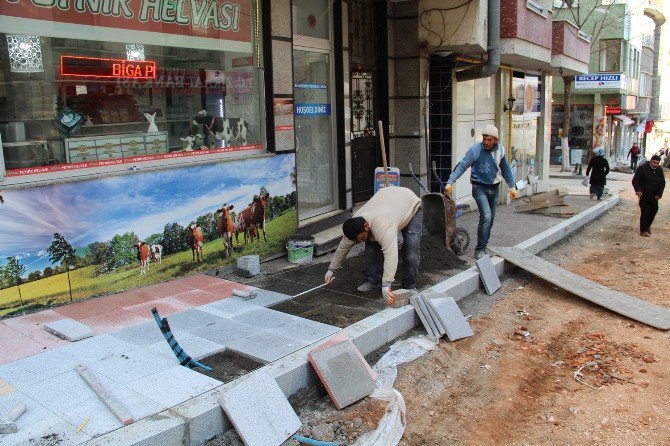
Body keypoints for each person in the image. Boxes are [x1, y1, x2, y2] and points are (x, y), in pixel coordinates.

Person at [324, 187, 422, 305]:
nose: (360, 242)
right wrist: (331, 269)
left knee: (411, 248)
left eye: (361, 238)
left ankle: (410, 285)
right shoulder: (355, 225)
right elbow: (343, 247)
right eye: (357, 241)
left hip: (410, 206)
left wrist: (387, 284)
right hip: (387, 202)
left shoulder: (382, 226)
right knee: (371, 246)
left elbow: (391, 253)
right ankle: (373, 280)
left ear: (366, 226)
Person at [444, 124, 517, 259]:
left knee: (490, 219)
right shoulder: (475, 151)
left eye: (489, 139)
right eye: (484, 139)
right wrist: (450, 182)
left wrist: (512, 186)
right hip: (479, 188)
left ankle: (483, 245)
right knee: (486, 217)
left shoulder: (500, 150)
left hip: (495, 188)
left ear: (495, 140)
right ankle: (480, 250)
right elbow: (462, 166)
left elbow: (506, 169)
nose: (486, 142)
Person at [632, 155, 665, 237]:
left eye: (657, 163)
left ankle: (647, 226)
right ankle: (643, 231)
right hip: (644, 195)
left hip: (654, 196)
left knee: (654, 210)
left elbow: (662, 183)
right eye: (654, 162)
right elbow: (635, 181)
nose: (655, 165)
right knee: (645, 212)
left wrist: (659, 194)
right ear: (651, 161)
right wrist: (638, 190)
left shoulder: (659, 170)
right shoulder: (642, 168)